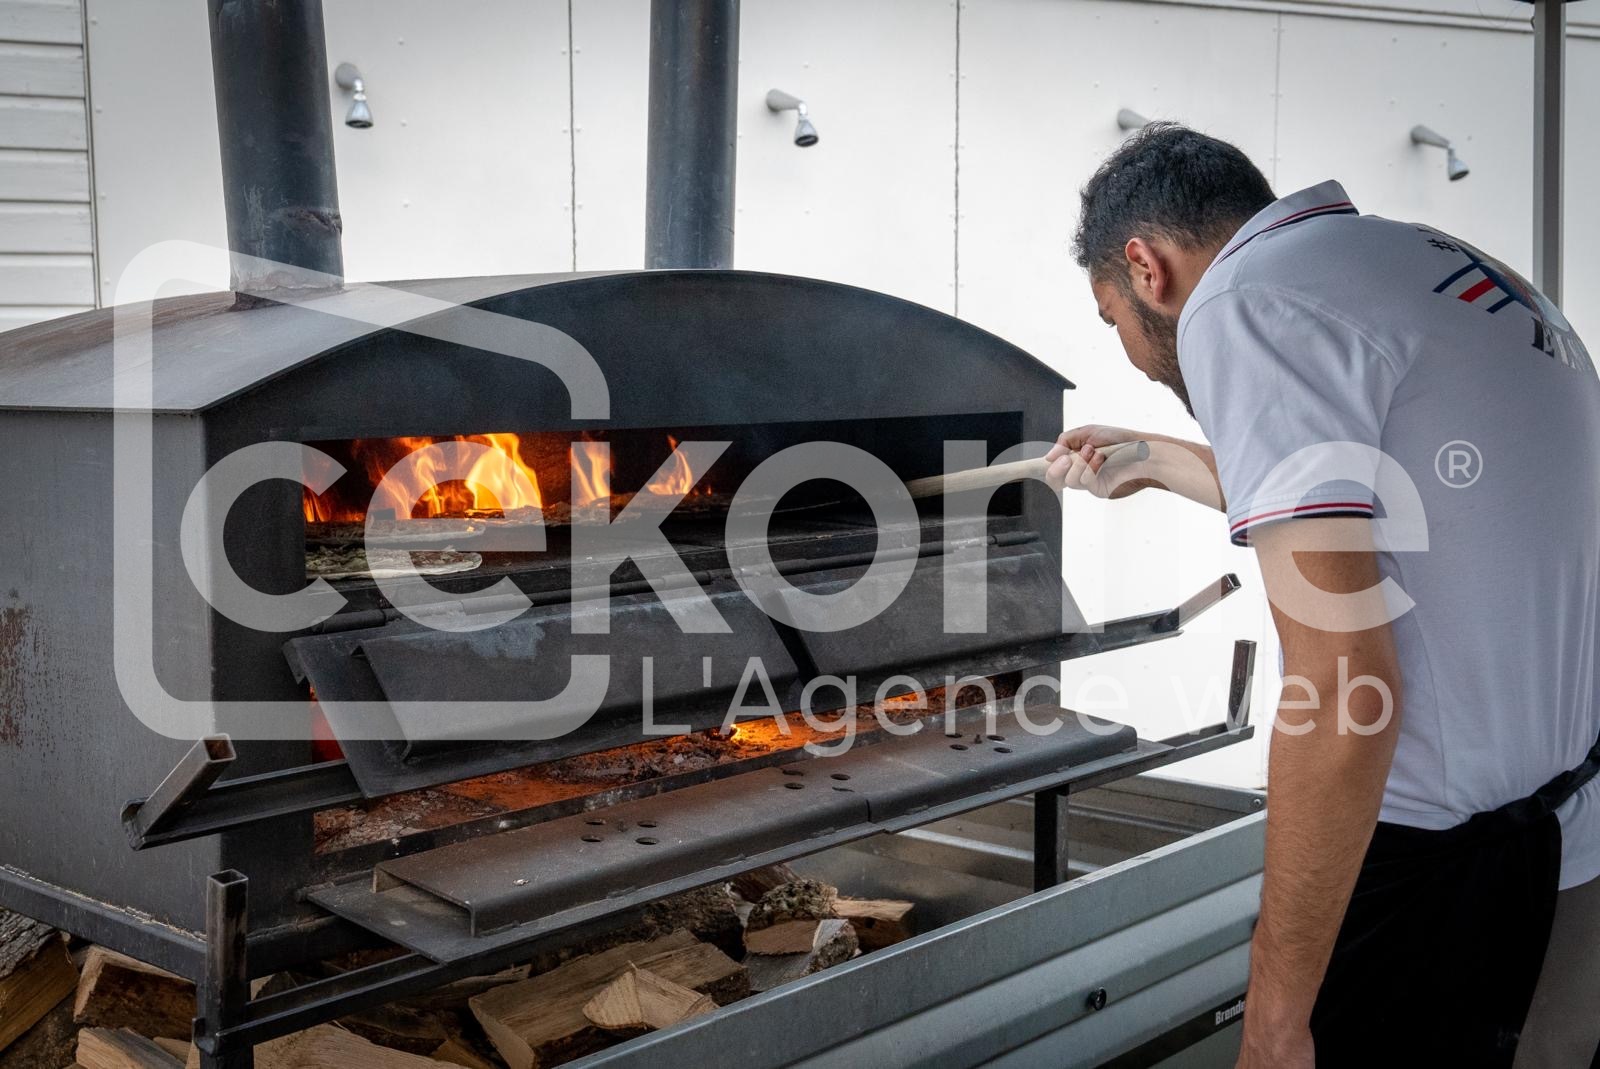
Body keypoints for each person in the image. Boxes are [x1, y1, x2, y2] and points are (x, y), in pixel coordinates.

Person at [1046, 123, 1600, 1067]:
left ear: (1146, 269)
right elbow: (1401, 506)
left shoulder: (1244, 303)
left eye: (1113, 320)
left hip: (1442, 884)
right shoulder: (1435, 265)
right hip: (1573, 838)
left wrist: (1273, 1013)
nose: (1135, 355)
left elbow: (1344, 690)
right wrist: (1155, 459)